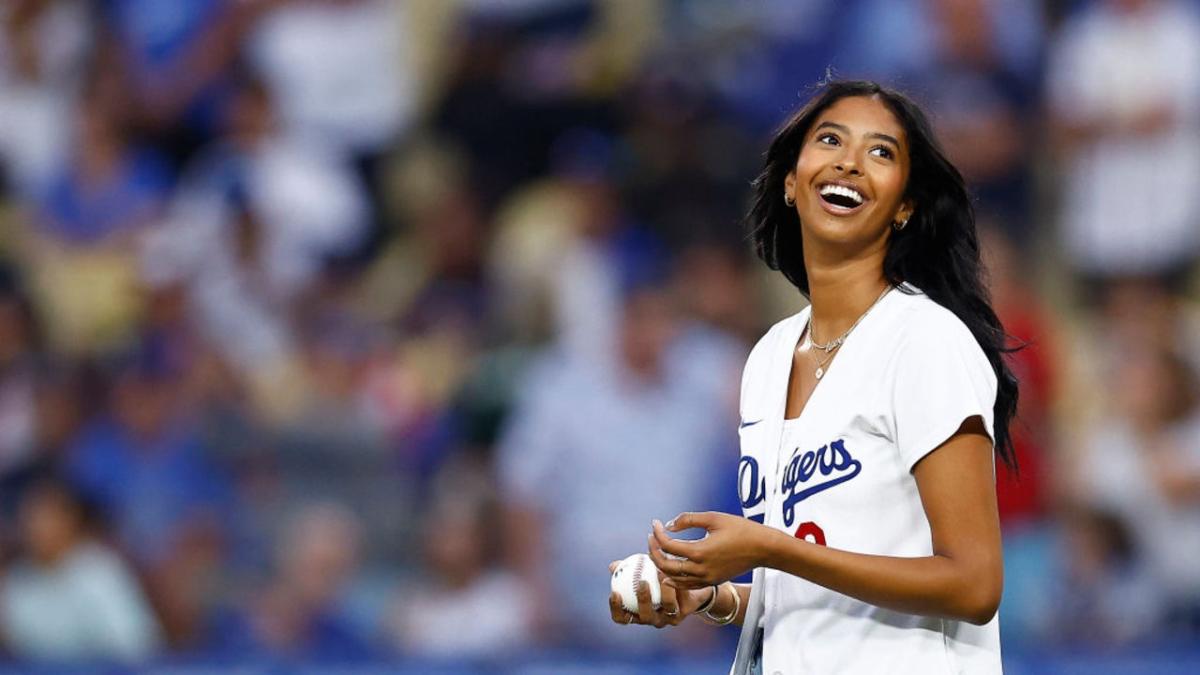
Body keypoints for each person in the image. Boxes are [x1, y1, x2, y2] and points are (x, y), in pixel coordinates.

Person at [607, 80, 1019, 674]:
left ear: (905, 205)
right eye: (830, 140)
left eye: (881, 152)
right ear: (792, 181)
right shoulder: (770, 355)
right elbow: (815, 600)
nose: (850, 161)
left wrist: (771, 549)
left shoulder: (925, 339)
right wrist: (711, 597)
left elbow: (974, 585)